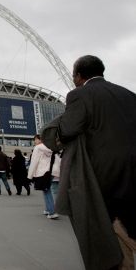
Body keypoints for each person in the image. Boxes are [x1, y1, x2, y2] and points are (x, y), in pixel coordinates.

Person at [42, 55, 136, 270]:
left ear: (78, 76)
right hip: (131, 170)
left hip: (104, 173)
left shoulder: (79, 94)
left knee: (107, 225)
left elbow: (68, 130)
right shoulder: (130, 94)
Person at [27, 135, 59, 219]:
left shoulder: (38, 148)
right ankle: (48, 209)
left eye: (35, 140)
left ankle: (52, 212)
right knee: (46, 190)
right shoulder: (52, 147)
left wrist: (29, 176)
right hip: (52, 171)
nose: (35, 142)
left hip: (43, 172)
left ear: (39, 139)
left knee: (47, 191)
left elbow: (34, 162)